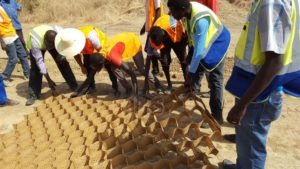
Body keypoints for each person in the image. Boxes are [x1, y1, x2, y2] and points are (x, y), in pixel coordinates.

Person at [223, 0, 300, 168]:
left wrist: (242, 104)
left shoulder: (272, 3)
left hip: (260, 94)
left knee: (252, 146)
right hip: (255, 86)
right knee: (246, 140)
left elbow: (274, 61)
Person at [167, 0, 231, 125]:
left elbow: (200, 51)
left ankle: (217, 116)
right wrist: (190, 56)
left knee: (215, 80)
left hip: (218, 43)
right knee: (197, 66)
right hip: (205, 44)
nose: (171, 14)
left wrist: (190, 74)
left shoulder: (201, 20)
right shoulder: (187, 13)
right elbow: (193, 38)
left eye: (174, 11)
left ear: (183, 9)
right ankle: (192, 91)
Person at [60, 32, 159, 98]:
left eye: (97, 69)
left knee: (141, 69)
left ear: (101, 65)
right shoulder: (98, 57)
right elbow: (90, 77)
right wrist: (78, 92)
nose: (96, 71)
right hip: (120, 43)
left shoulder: (113, 58)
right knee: (114, 69)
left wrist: (136, 96)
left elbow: (132, 74)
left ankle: (157, 83)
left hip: (132, 41)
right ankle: (128, 89)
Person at [25, 25, 78, 106]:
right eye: (50, 46)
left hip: (52, 41)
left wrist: (63, 54)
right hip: (37, 45)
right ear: (46, 41)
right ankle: (33, 94)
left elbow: (67, 43)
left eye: (53, 46)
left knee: (62, 62)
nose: (51, 48)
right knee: (36, 69)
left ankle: (74, 86)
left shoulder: (60, 32)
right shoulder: (35, 43)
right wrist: (49, 81)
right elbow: (40, 63)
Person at [69, 26, 118, 96]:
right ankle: (91, 87)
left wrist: (98, 66)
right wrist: (82, 66)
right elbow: (76, 54)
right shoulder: (73, 42)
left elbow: (101, 54)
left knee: (109, 67)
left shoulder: (92, 37)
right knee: (87, 67)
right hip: (88, 50)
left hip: (102, 47)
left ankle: (115, 87)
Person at [149, 14, 187, 93]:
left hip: (177, 38)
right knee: (165, 62)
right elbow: (150, 51)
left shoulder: (174, 25)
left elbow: (182, 41)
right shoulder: (154, 33)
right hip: (164, 38)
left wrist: (183, 50)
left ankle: (188, 86)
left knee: (184, 61)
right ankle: (169, 86)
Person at [0, 5, 29, 83]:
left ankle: (28, 75)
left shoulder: (2, 6)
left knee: (23, 55)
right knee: (13, 59)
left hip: (13, 34)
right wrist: (2, 41)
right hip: (6, 37)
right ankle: (4, 78)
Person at [140, 0, 164, 92]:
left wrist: (153, 29)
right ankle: (156, 68)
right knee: (149, 50)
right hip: (152, 29)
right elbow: (150, 16)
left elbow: (158, 12)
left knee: (149, 51)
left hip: (155, 29)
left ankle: (162, 59)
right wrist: (144, 27)